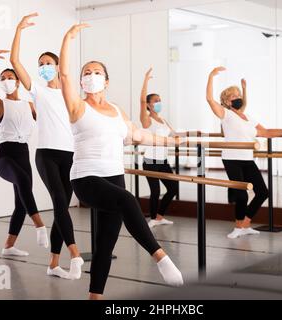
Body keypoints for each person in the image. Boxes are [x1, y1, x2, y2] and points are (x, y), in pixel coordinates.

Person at [59, 24, 184, 300]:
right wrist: (68, 38)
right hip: (86, 178)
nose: (91, 76)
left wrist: (171, 142)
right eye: (86, 73)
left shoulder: (117, 110)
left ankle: (95, 296)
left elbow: (138, 134)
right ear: (81, 82)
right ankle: (161, 257)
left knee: (105, 245)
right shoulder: (78, 106)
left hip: (114, 176)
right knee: (128, 201)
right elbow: (63, 73)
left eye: (97, 72)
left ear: (106, 81)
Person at [10, 13, 83, 280]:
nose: (44, 67)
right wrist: (19, 30)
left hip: (71, 155)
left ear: (57, 65)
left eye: (48, 63)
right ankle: (75, 254)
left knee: (62, 206)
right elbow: (15, 61)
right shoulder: (38, 91)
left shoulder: (69, 93)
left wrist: (68, 39)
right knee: (61, 203)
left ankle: (53, 264)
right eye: (40, 64)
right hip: (47, 155)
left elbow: (66, 70)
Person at [206, 67, 282, 239]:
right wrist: (211, 76)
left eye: (238, 95)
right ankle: (238, 226)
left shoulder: (249, 118)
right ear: (226, 102)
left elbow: (267, 132)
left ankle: (245, 223)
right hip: (231, 159)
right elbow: (209, 99)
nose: (237, 98)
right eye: (232, 96)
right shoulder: (225, 114)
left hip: (247, 159)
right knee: (241, 194)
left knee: (263, 192)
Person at [0, 49, 48, 257]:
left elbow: (47, 122)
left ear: (18, 82)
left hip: (23, 154)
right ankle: (40, 226)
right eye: (3, 79)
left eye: (10, 78)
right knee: (24, 184)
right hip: (5, 156)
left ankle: (8, 246)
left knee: (20, 203)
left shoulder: (29, 105)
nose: (6, 81)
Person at [140, 68, 179, 228]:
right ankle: (153, 219)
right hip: (150, 160)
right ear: (149, 105)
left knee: (173, 188)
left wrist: (193, 134)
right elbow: (141, 101)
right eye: (155, 100)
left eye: (159, 100)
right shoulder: (147, 120)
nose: (158, 102)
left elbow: (174, 134)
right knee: (155, 191)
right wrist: (145, 81)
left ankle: (159, 216)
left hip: (163, 161)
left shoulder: (163, 120)